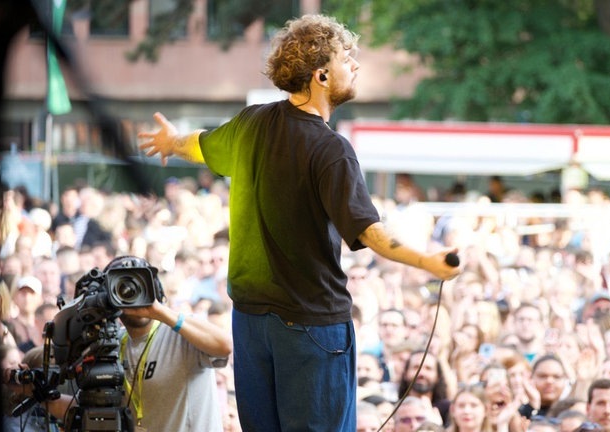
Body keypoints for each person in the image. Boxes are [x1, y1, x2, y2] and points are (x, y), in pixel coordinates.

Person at [138, 14, 460, 431]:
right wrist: (427, 261)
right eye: (348, 58)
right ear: (322, 74)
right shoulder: (331, 149)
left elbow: (200, 145)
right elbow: (367, 230)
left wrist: (170, 142)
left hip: (250, 324)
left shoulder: (251, 123)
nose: (356, 66)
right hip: (311, 328)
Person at [113, 256, 232, 431]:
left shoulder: (182, 331)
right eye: (123, 289)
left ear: (157, 290)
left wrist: (159, 310)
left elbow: (224, 346)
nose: (134, 295)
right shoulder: (114, 344)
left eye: (142, 286)